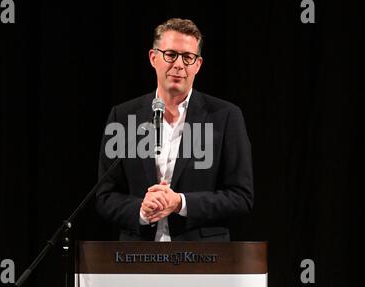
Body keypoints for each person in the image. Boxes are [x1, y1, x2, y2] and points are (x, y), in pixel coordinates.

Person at [96, 18, 253, 241]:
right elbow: (105, 196)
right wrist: (141, 210)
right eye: (170, 54)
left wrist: (180, 202)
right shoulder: (123, 117)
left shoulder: (226, 117)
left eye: (188, 57)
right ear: (154, 58)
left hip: (203, 258)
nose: (179, 65)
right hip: (137, 256)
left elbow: (241, 197)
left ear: (197, 65)